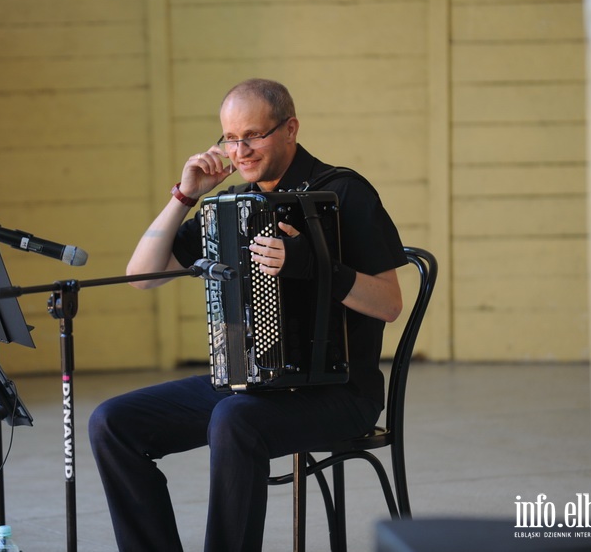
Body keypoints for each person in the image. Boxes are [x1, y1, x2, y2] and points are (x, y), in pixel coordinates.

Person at [88, 78, 407, 551]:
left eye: (253, 135)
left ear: (291, 128)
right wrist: (184, 196)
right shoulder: (232, 207)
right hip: (250, 385)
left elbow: (389, 303)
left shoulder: (343, 193)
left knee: (235, 420)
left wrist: (313, 266)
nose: (240, 150)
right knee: (112, 423)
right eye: (230, 138)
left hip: (339, 393)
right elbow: (143, 276)